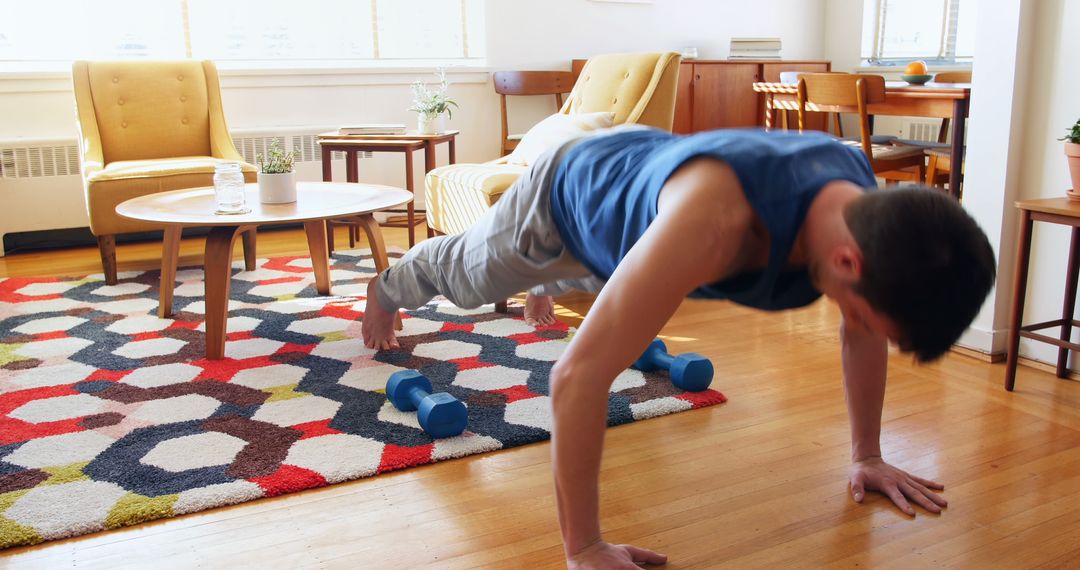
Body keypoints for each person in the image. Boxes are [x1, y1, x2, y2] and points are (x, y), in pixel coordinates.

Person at [361, 126, 996, 569]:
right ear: (847, 259)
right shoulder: (714, 225)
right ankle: (387, 285)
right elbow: (577, 378)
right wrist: (583, 548)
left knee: (602, 276)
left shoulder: (867, 210)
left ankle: (558, 283)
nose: (858, 324)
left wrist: (869, 455)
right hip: (568, 198)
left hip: (640, 208)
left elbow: (861, 330)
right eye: (862, 312)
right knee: (469, 280)